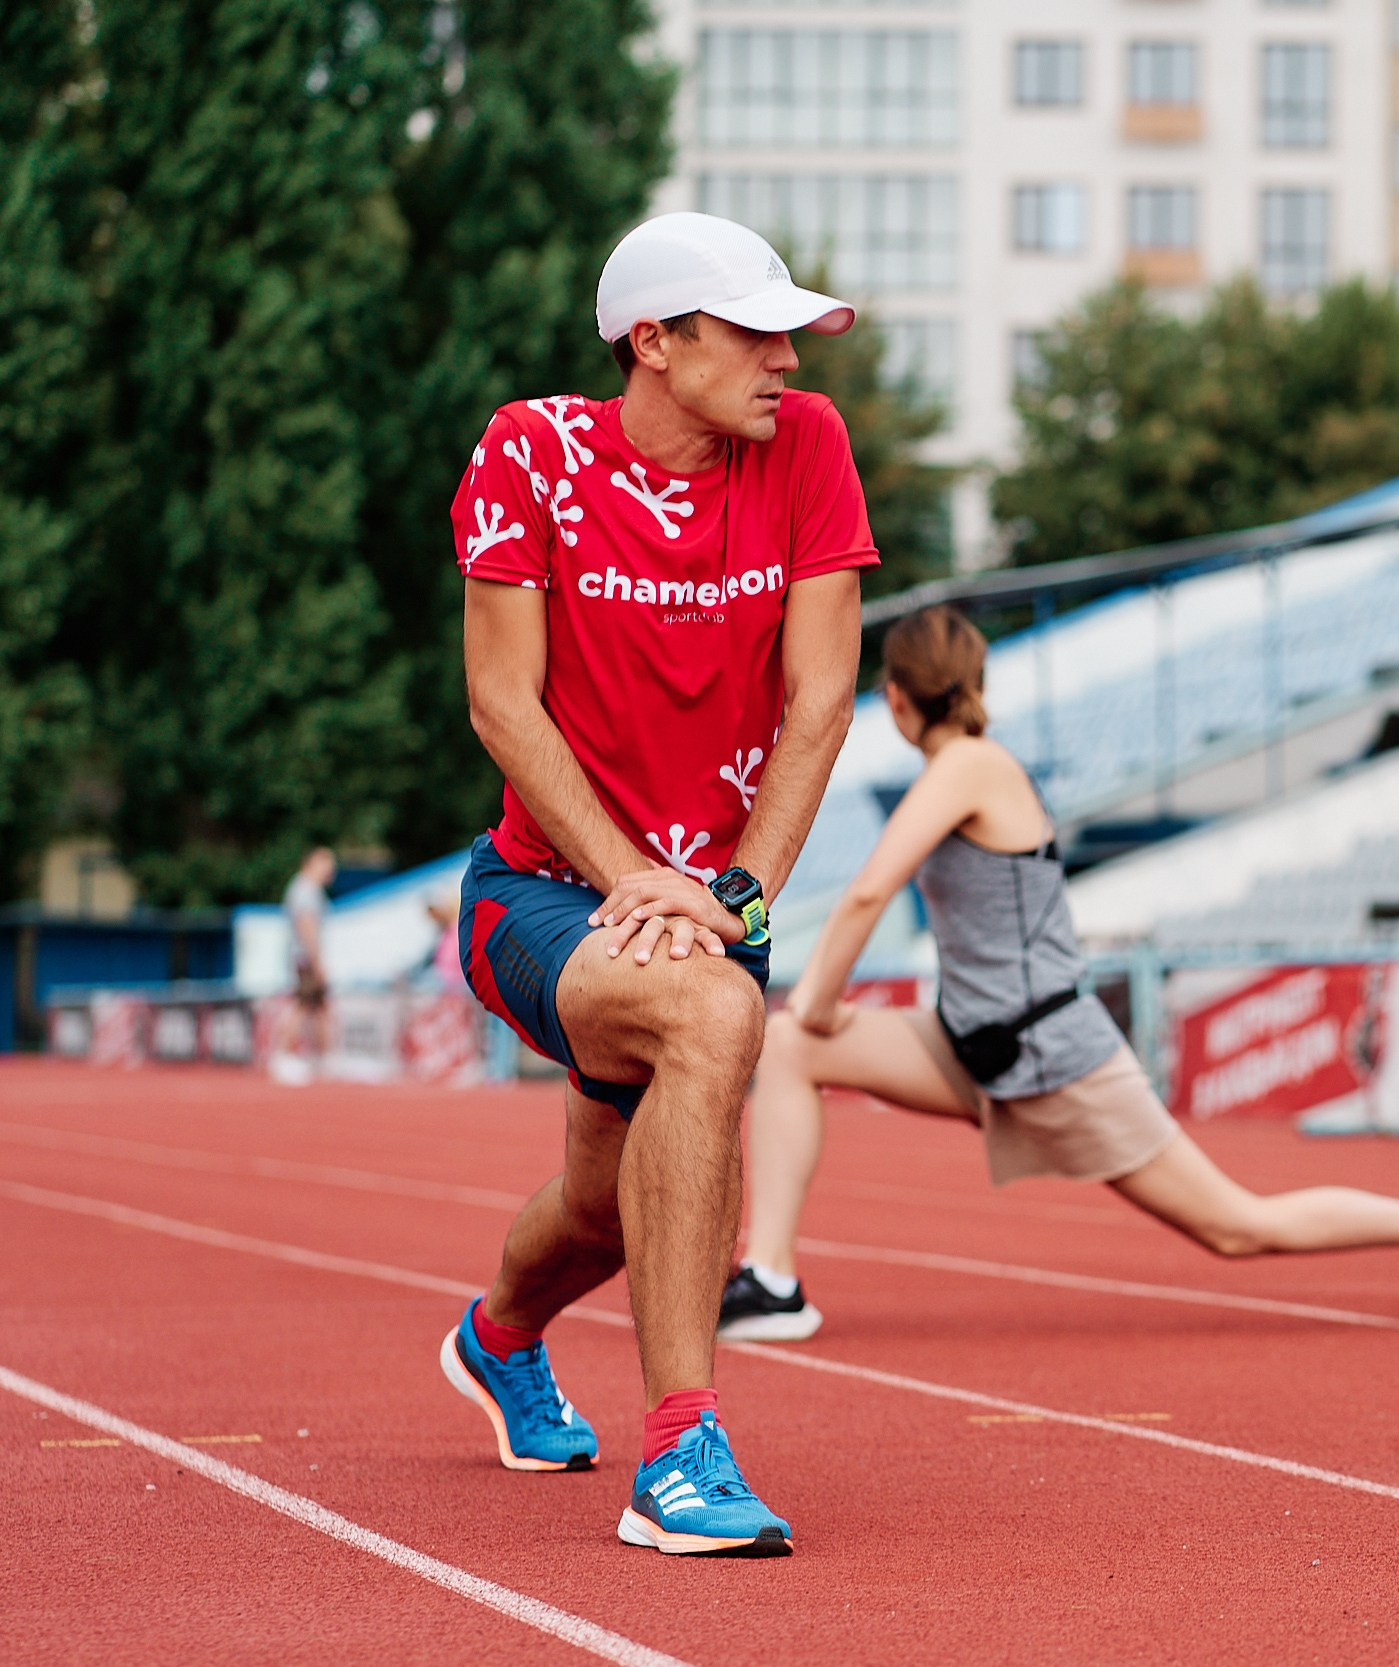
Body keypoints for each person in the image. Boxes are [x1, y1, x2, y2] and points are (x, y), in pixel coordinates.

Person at [717, 605, 1399, 1343]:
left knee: (1237, 1226)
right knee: (793, 1045)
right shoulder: (959, 769)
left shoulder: (970, 765)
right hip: (972, 1043)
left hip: (1053, 1053)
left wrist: (819, 994)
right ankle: (774, 1279)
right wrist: (813, 1015)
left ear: (895, 700)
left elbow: (865, 892)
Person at [440, 212, 875, 1558]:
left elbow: (820, 698)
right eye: (753, 331)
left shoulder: (808, 446)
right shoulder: (534, 449)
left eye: (790, 331)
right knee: (713, 1023)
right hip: (549, 888)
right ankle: (680, 1448)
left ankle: (498, 1333)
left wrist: (738, 894)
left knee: (606, 1206)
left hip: (705, 902)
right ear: (654, 341)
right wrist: (636, 876)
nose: (786, 358)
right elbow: (502, 701)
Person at [273, 847, 336, 1086]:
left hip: (305, 957)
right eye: (326, 863)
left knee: (318, 1006)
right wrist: (317, 960)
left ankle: (323, 1058)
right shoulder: (305, 890)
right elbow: (306, 925)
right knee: (303, 1004)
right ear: (311, 863)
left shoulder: (305, 889)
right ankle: (284, 1055)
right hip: (306, 958)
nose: (331, 870)